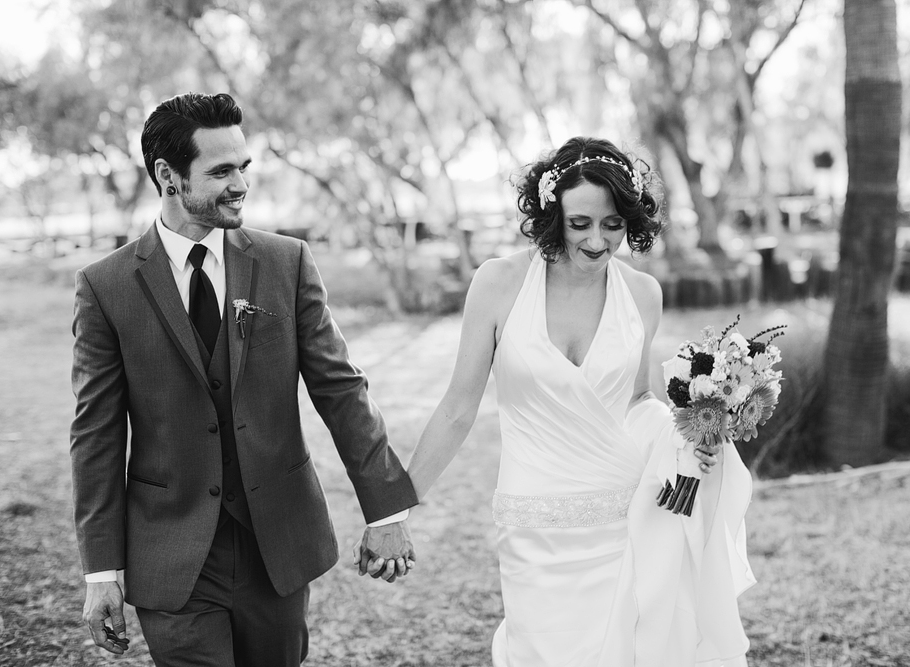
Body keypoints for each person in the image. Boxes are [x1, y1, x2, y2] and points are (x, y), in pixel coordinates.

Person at [69, 92, 418, 667]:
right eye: (221, 170)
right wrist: (101, 571)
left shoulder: (287, 262)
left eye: (244, 167)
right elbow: (97, 436)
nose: (241, 184)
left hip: (276, 544)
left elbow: (341, 390)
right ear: (168, 176)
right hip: (172, 553)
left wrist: (385, 512)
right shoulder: (105, 287)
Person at [400, 137, 755, 666]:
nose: (597, 240)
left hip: (623, 517)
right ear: (551, 215)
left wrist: (688, 438)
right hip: (533, 522)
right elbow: (457, 409)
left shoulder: (642, 295)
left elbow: (637, 400)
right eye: (580, 223)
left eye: (612, 224)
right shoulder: (498, 285)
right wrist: (396, 510)